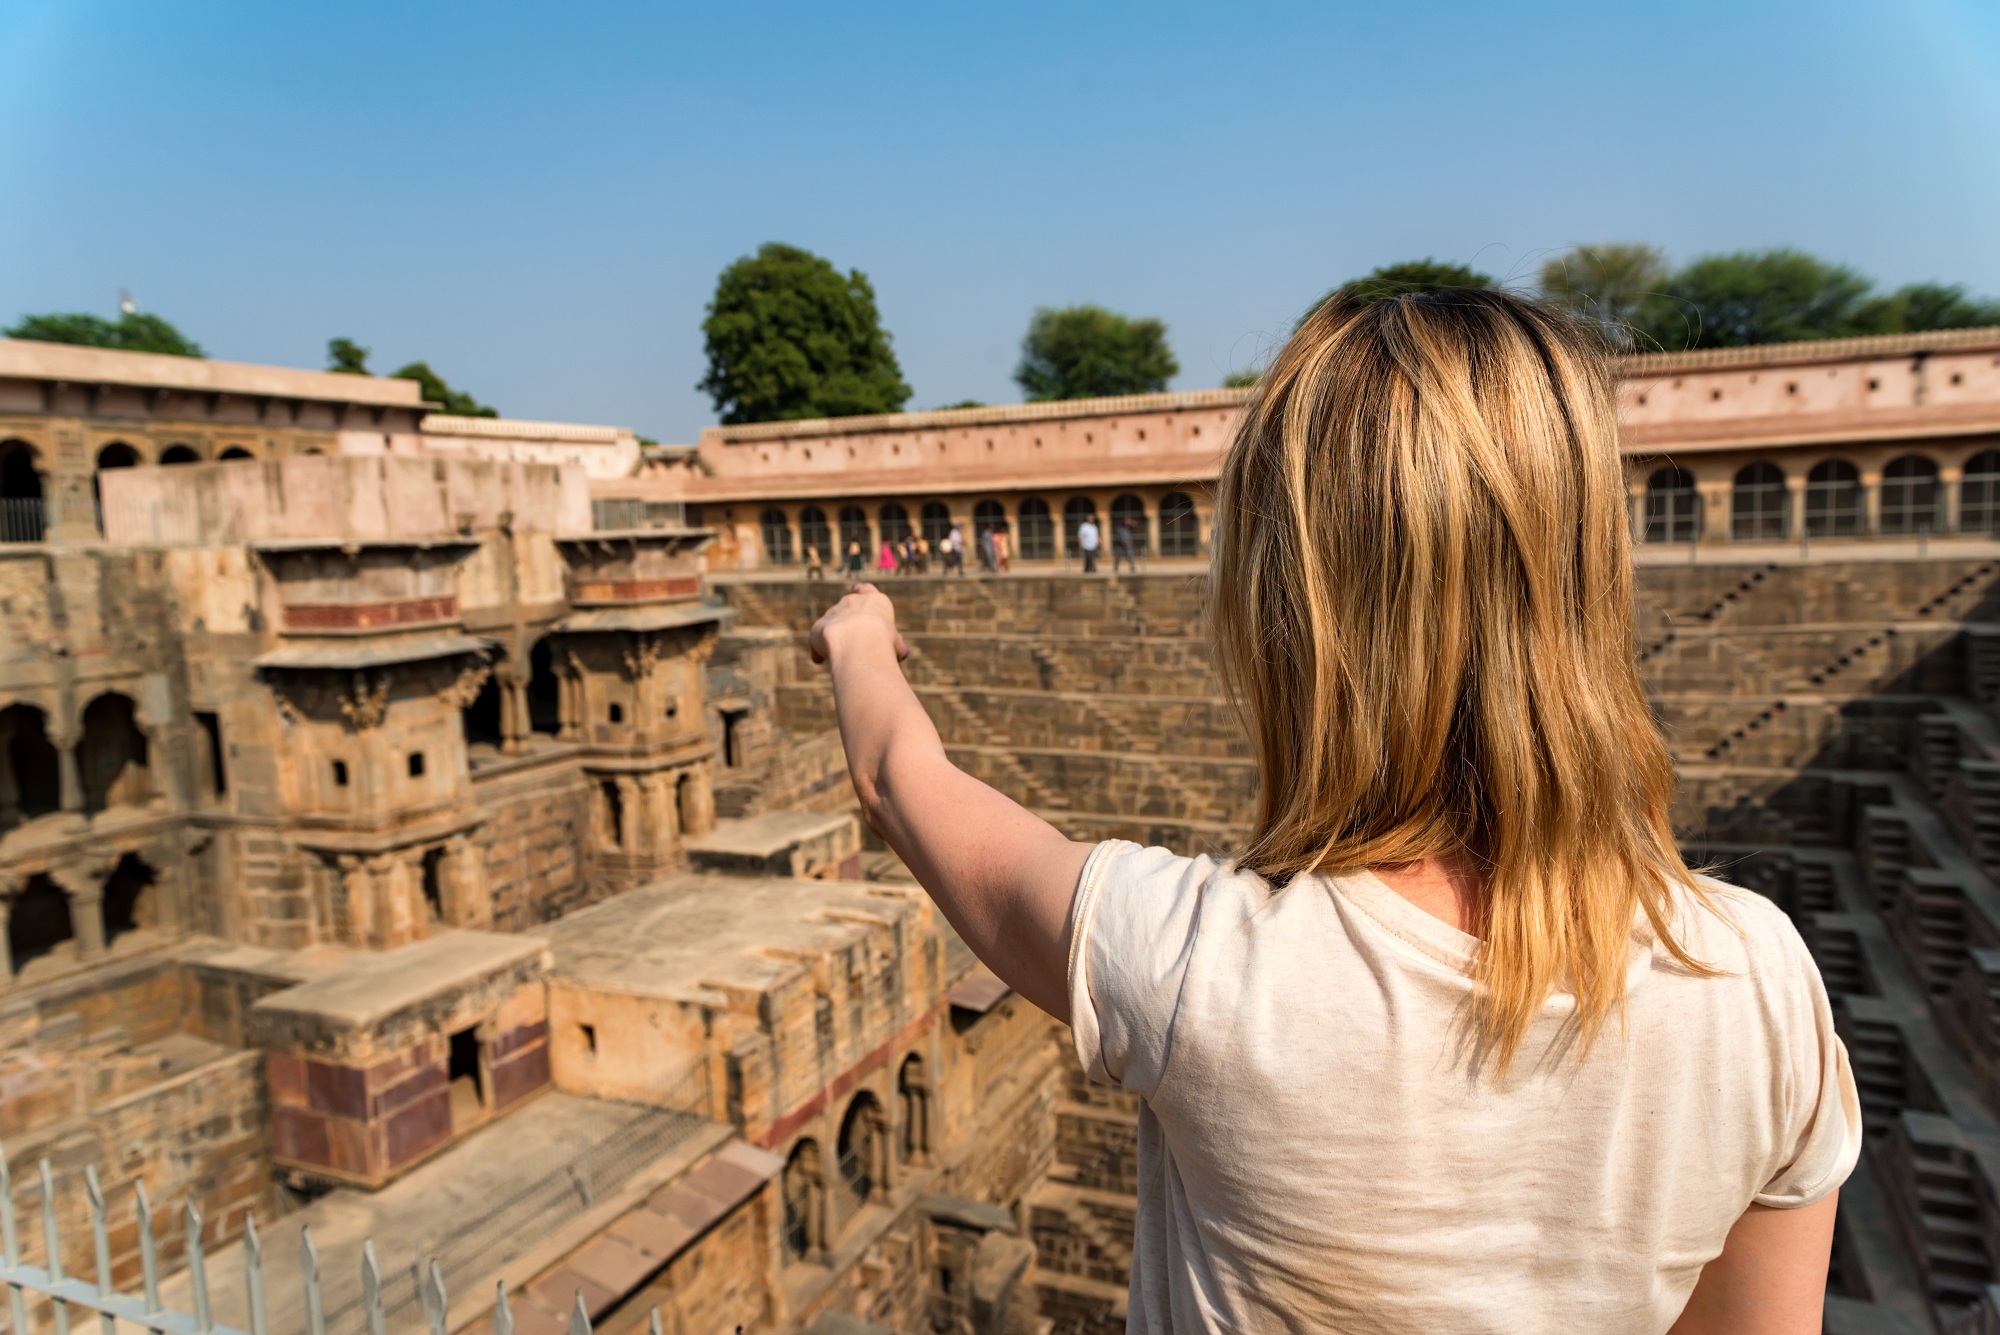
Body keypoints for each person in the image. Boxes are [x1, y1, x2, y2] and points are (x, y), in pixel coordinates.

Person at [807, 288, 1858, 1334]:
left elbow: (900, 781)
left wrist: (860, 633)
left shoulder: (1193, 965)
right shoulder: (1756, 983)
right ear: (1590, 576)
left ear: (1288, 614)